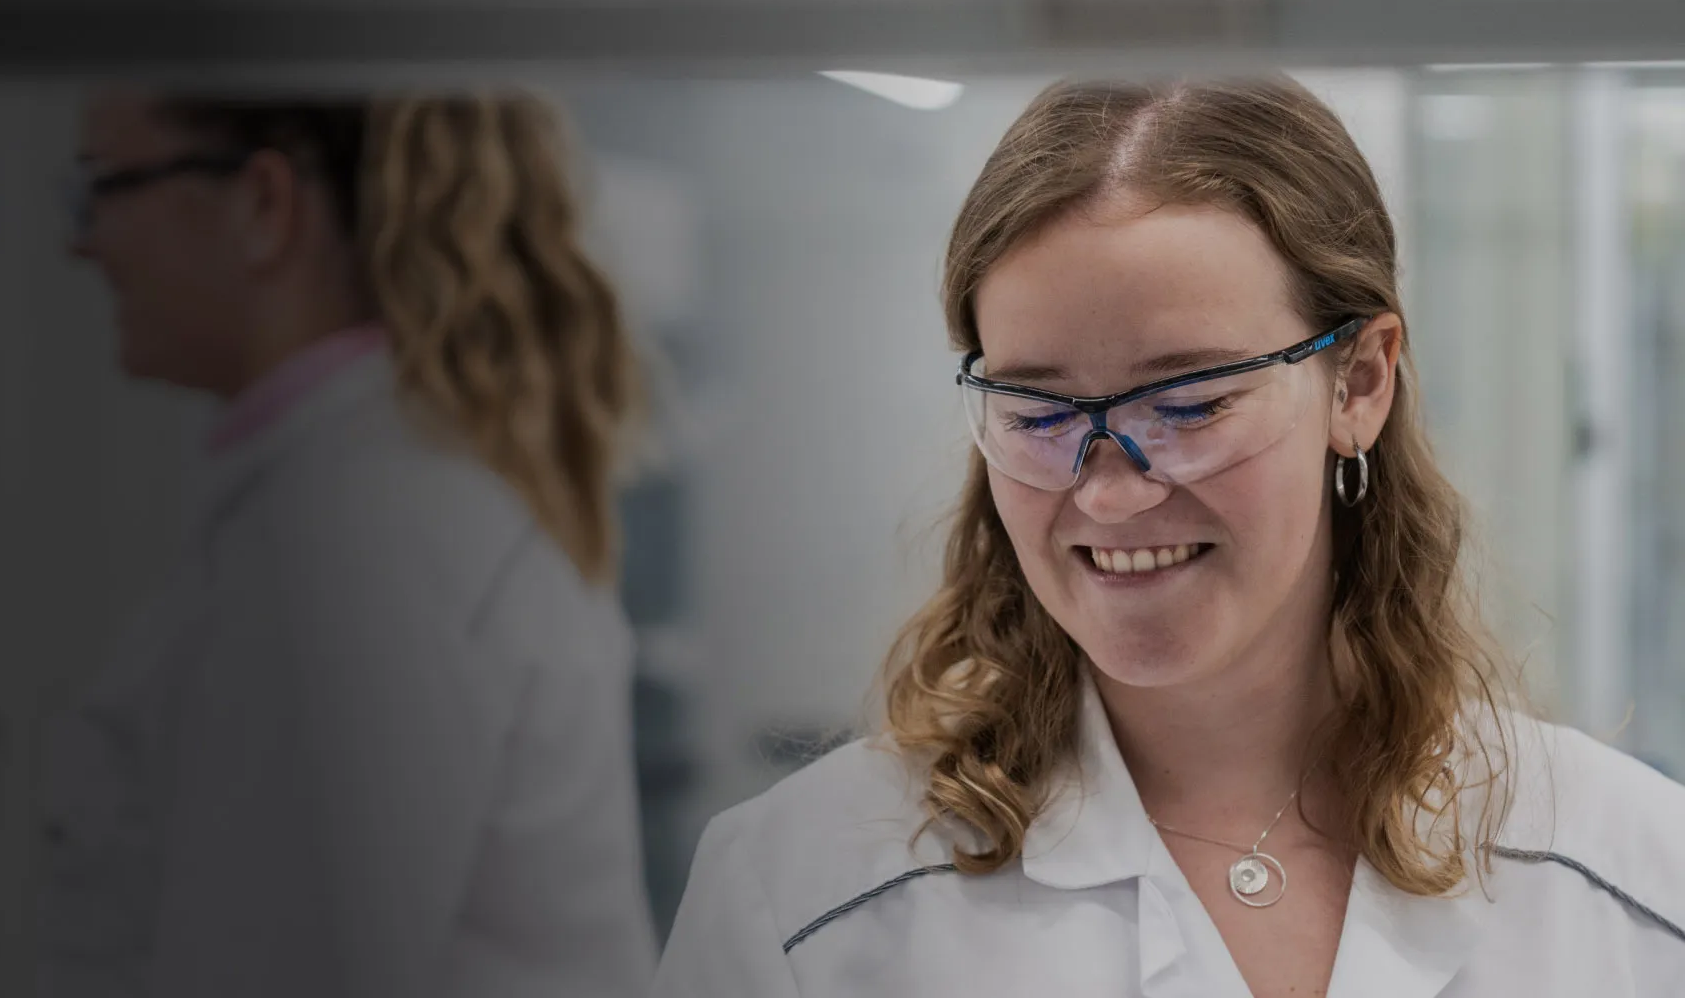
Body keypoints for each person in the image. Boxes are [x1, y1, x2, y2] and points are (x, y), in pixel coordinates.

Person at [651, 77, 1685, 997]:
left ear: (1360, 381)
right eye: (1037, 411)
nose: (1108, 497)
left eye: (1188, 404)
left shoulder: (1633, 879)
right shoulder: (800, 900)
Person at [37, 90, 657, 998]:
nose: (83, 242)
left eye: (105, 187)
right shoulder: (379, 499)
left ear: (263, 205)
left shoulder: (365, 538)